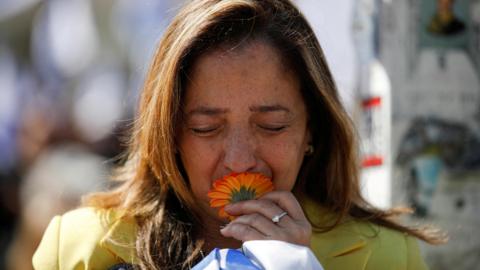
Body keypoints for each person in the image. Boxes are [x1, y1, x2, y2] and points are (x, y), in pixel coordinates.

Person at [33, 0, 446, 269]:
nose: (239, 159)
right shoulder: (79, 249)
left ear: (311, 130)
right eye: (206, 128)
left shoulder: (387, 257)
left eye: (272, 126)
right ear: (170, 135)